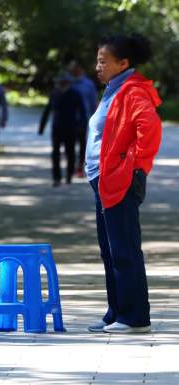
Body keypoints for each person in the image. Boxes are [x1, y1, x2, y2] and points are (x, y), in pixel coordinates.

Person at [85, 34, 161, 334]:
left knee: (124, 249)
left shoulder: (132, 91)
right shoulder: (114, 90)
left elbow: (150, 127)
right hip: (103, 180)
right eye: (98, 60)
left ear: (123, 63)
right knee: (110, 249)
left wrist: (135, 167)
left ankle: (135, 317)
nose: (97, 66)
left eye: (104, 61)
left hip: (120, 180)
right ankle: (116, 311)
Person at [39, 74, 87, 186]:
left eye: (64, 82)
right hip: (57, 128)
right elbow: (47, 110)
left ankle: (69, 175)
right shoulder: (54, 94)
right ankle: (56, 178)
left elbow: (82, 112)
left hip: (71, 128)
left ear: (68, 83)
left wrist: (82, 126)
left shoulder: (75, 94)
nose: (62, 84)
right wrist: (42, 127)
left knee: (70, 153)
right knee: (55, 153)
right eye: (60, 82)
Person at [69, 60, 99, 177]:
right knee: (69, 144)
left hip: (83, 119)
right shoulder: (69, 83)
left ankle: (79, 167)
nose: (72, 71)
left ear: (80, 69)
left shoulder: (88, 85)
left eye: (74, 69)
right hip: (69, 119)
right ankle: (71, 167)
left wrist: (94, 119)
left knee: (82, 144)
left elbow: (93, 103)